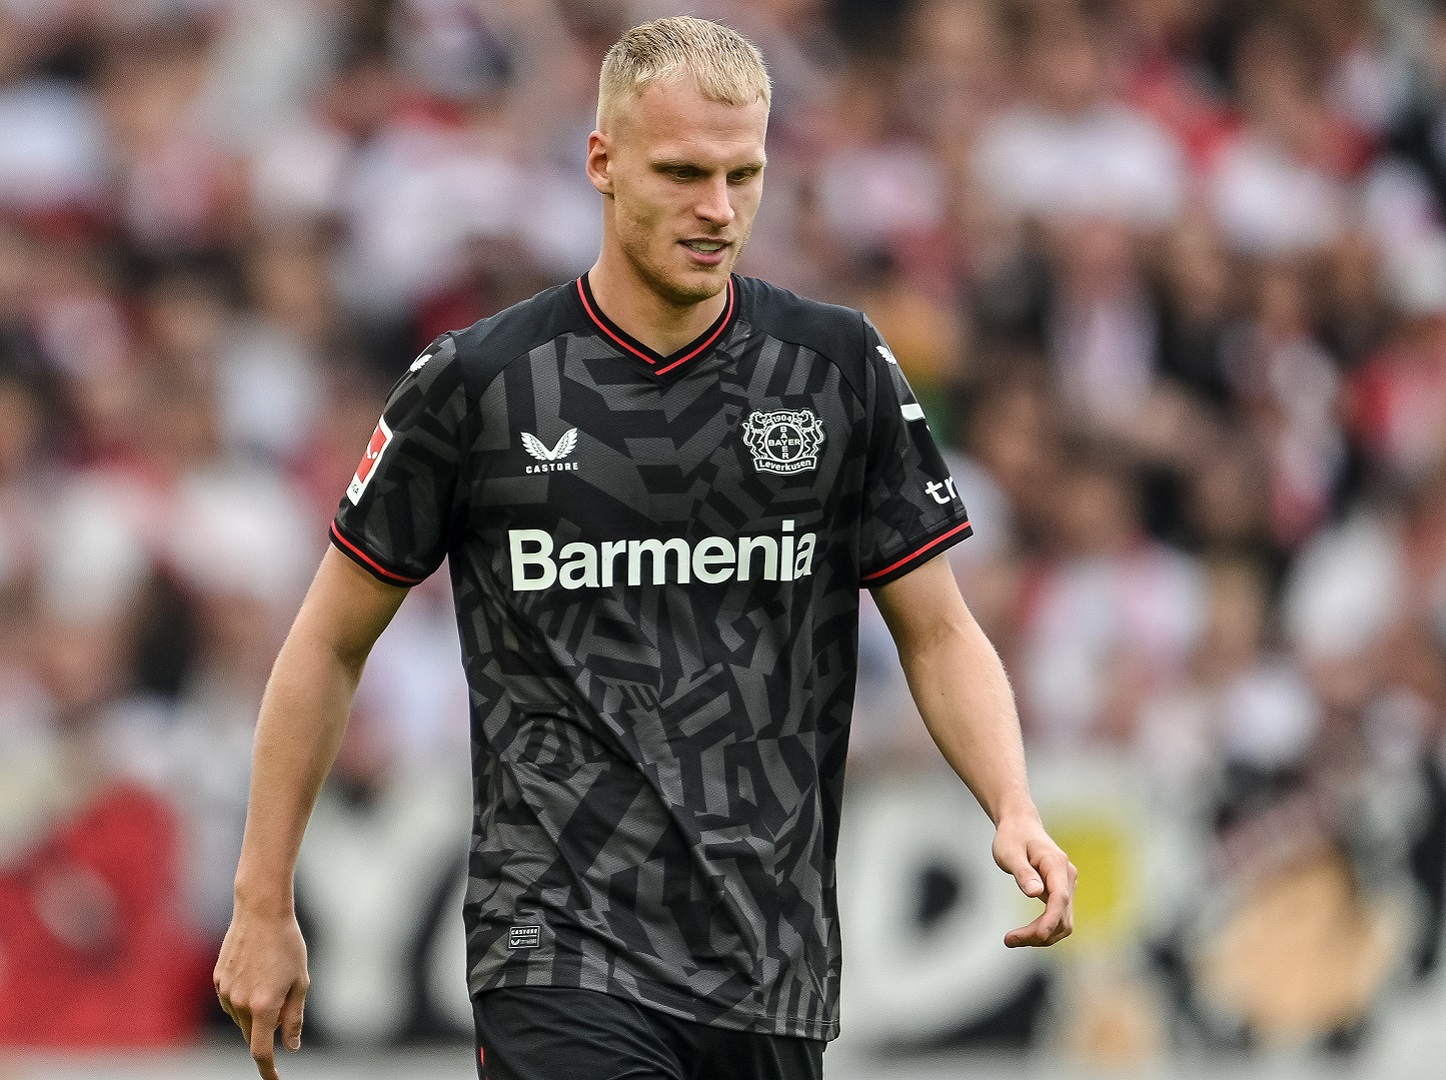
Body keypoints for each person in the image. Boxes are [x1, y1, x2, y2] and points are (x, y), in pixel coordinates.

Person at [211, 17, 1077, 1080]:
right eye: (682, 173)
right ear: (602, 163)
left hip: (769, 961)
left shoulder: (834, 369)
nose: (718, 209)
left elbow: (938, 631)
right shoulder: (480, 384)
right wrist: (262, 900)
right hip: (555, 944)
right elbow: (327, 642)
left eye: (743, 175)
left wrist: (1013, 803)